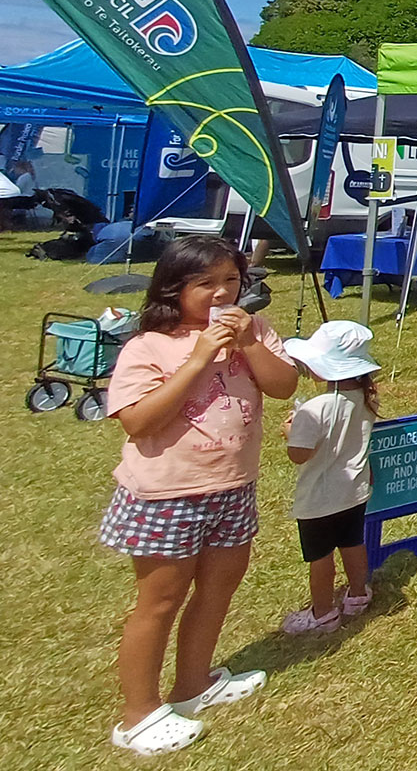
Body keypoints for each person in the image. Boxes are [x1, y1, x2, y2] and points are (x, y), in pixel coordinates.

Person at [99, 238, 299, 755]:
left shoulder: (253, 330)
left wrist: (250, 344)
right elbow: (139, 422)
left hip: (233, 487)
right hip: (167, 495)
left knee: (217, 591)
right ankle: (137, 714)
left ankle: (192, 686)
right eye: (205, 283)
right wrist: (199, 357)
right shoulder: (148, 346)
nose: (221, 293)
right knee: (159, 601)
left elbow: (283, 386)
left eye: (230, 281)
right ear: (175, 287)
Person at [278, 321, 381, 636]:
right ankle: (358, 593)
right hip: (355, 489)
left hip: (319, 497)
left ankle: (322, 613)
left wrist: (289, 432)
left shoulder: (314, 408)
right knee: (353, 542)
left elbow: (299, 454)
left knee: (319, 556)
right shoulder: (366, 399)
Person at [0, 158, 39, 230]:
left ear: (19, 168)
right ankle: (6, 223)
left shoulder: (23, 177)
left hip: (24, 199)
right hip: (30, 198)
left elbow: (17, 190)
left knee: (4, 204)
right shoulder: (30, 176)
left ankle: (6, 223)